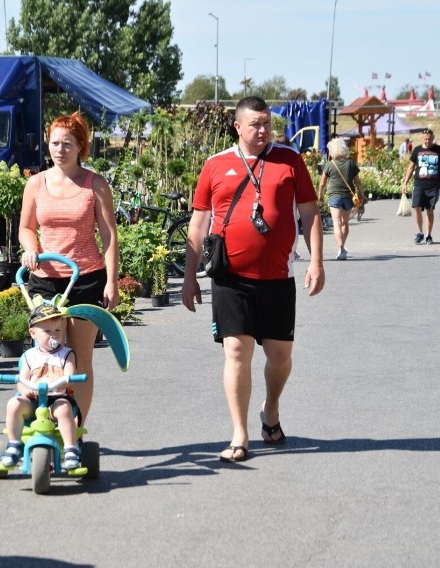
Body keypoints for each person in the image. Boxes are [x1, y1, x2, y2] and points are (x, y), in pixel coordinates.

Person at [181, 96, 325, 463]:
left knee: (280, 356)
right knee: (236, 351)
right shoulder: (215, 165)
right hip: (230, 276)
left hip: (278, 276)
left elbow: (309, 213)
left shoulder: (289, 161)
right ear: (238, 127)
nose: (263, 130)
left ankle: (271, 409)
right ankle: (240, 434)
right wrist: (188, 277)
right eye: (255, 124)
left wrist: (316, 262)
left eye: (267, 124)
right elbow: (198, 223)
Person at [19, 111, 119, 425]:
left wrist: (112, 281)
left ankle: (76, 428)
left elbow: (110, 236)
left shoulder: (95, 184)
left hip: (86, 279)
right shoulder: (36, 183)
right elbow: (25, 227)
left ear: (80, 147)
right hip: (45, 281)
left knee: (80, 359)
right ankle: (46, 424)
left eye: (68, 143)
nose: (60, 149)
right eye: (55, 143)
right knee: (47, 356)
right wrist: (31, 247)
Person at [0, 305, 82, 470]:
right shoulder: (29, 356)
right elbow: (22, 380)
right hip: (33, 401)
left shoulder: (66, 354)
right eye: (48, 331)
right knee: (14, 404)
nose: (54, 335)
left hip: (57, 399)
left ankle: (70, 448)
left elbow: (70, 376)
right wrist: (25, 390)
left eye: (58, 330)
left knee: (64, 409)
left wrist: (63, 381)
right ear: (33, 333)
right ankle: (14, 444)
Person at [318, 137, 367, 259]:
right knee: (345, 223)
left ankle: (340, 248)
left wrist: (320, 194)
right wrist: (363, 195)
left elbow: (322, 183)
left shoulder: (329, 164)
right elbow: (358, 182)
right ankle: (343, 247)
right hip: (349, 197)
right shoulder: (351, 163)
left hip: (334, 196)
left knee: (336, 223)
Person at [401, 128, 440, 244]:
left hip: (434, 185)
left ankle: (429, 235)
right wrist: (405, 183)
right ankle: (419, 233)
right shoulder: (417, 150)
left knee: (430, 210)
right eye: (425, 139)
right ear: (422, 139)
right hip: (419, 184)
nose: (427, 141)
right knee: (417, 207)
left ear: (433, 138)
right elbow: (411, 167)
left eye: (429, 139)